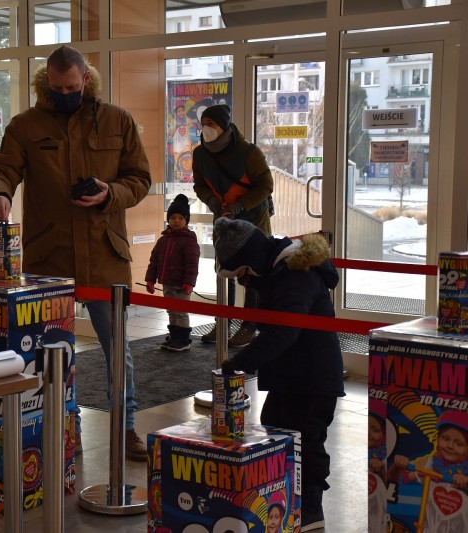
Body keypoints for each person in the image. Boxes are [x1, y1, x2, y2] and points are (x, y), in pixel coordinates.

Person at [0, 45, 152, 460]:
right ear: (47, 83)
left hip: (105, 255)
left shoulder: (118, 120)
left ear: (85, 79)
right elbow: (0, 169)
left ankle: (125, 426)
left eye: (71, 87)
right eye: (57, 88)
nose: (65, 94)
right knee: (47, 352)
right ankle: (56, 427)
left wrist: (110, 193)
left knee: (118, 350)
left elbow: (140, 178)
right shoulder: (26, 125)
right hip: (49, 258)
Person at [213, 217, 344, 532]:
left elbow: (283, 332)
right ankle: (284, 500)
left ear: (254, 260)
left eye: (242, 274)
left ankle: (311, 508)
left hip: (313, 378)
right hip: (291, 374)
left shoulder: (297, 275)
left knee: (307, 440)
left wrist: (240, 362)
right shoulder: (276, 273)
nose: (244, 282)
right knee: (275, 431)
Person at [192, 104, 273, 347]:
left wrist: (239, 206)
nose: (206, 129)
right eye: (203, 124)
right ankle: (223, 322)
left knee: (254, 272)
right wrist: (213, 201)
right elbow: (199, 185)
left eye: (211, 124)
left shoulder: (248, 152)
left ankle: (249, 326)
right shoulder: (200, 154)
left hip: (254, 217)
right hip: (223, 218)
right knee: (224, 269)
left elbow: (266, 185)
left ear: (224, 126)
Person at [145, 194, 200, 352]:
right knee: (171, 311)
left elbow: (192, 265)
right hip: (167, 283)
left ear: (186, 220)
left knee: (181, 312)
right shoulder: (163, 240)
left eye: (180, 218)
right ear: (168, 219)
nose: (176, 221)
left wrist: (189, 283)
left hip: (181, 285)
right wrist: (150, 280)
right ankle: (175, 336)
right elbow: (154, 262)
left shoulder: (189, 241)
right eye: (173, 217)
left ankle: (183, 339)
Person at [388, 410, 468, 491]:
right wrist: (397, 467)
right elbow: (394, 480)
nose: (450, 446)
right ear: (438, 438)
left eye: (459, 444)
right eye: (445, 439)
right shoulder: (428, 463)